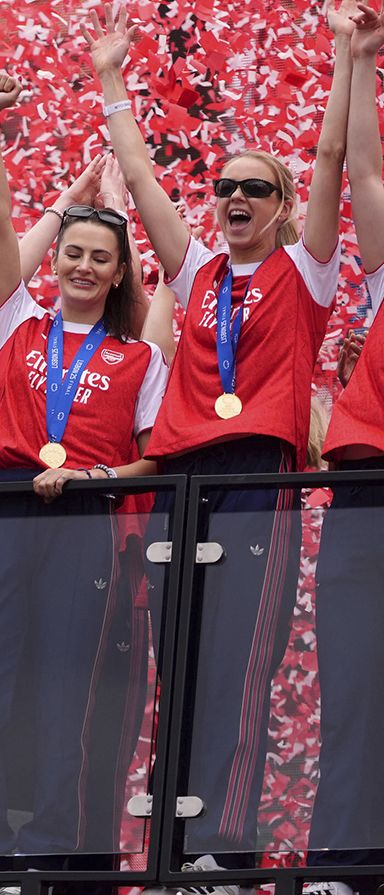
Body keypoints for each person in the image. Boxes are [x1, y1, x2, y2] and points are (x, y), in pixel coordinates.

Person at [97, 1, 352, 874]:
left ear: (282, 208)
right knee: (182, 664)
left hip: (257, 474)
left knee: (241, 663)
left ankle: (221, 851)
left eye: (255, 188)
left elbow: (329, 158)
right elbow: (136, 173)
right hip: (184, 481)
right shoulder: (199, 267)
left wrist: (347, 56)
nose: (235, 197)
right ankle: (173, 847)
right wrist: (110, 82)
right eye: (226, 187)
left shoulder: (306, 271)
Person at [0, 74, 169, 890]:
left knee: (63, 698)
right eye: (72, 251)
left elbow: (154, 457)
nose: (80, 264)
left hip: (86, 520)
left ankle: (44, 850)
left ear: (115, 275)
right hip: (2, 511)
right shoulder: (16, 326)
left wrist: (96, 474)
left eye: (98, 257)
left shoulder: (140, 359)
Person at [310, 8, 384, 894]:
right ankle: (340, 866)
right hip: (366, 499)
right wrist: (359, 60)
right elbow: (362, 165)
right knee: (355, 692)